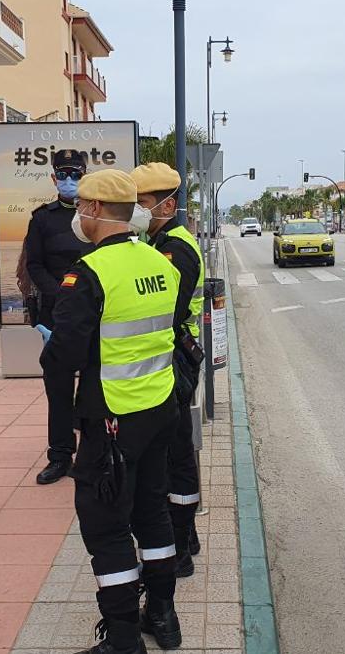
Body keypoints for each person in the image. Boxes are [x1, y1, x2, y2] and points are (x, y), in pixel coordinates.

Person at [39, 169, 184, 653]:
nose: (77, 213)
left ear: (96, 210)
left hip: (111, 419)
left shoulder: (89, 273)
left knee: (105, 527)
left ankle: (123, 640)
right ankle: (162, 616)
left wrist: (52, 352)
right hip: (159, 407)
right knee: (153, 513)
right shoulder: (161, 264)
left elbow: (63, 358)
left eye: (80, 205)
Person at [131, 162, 204, 578]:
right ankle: (186, 535)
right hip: (172, 357)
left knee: (176, 455)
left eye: (141, 204)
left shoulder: (175, 249)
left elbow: (167, 311)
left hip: (176, 359)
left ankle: (180, 548)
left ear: (167, 204)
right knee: (174, 453)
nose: (137, 212)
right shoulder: (160, 242)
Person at [25, 149, 92, 485]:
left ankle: (94, 452)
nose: (69, 181)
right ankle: (60, 455)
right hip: (56, 315)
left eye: (75, 175)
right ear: (53, 178)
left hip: (93, 312)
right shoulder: (42, 219)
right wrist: (59, 293)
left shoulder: (96, 214)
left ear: (85, 175)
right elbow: (33, 265)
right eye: (63, 175)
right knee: (58, 387)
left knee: (94, 383)